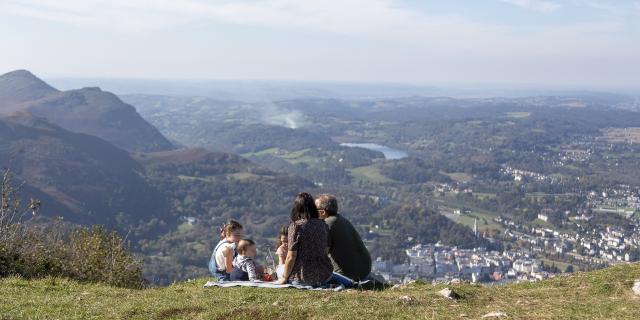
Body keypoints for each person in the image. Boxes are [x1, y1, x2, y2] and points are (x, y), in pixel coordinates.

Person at [277, 192, 333, 287]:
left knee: (279, 269)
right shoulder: (323, 224)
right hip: (325, 276)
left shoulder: (296, 226)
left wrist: (284, 277)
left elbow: (291, 257)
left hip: (302, 279)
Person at [315, 194, 372, 281]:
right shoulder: (342, 219)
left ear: (322, 212)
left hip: (347, 275)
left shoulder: (326, 225)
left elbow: (320, 256)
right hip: (365, 272)